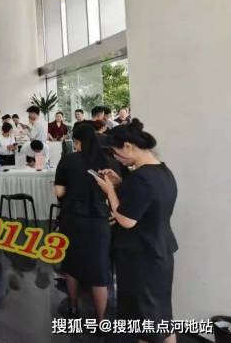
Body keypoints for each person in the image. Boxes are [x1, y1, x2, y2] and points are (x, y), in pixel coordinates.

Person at [94, 120, 178, 343]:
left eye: (116, 152)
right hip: (159, 252)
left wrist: (110, 191)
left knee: (145, 324)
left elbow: (126, 220)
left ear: (129, 146)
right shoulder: (162, 171)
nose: (116, 158)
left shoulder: (142, 178)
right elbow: (144, 203)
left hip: (142, 257)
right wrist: (120, 183)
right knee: (161, 319)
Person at [53, 123, 121, 320]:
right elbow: (116, 191)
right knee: (99, 270)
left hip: (72, 220)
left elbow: (59, 192)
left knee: (72, 265)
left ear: (77, 142)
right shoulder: (109, 162)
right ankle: (101, 320)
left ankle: (74, 308)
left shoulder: (67, 160)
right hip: (100, 222)